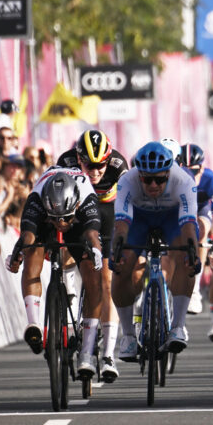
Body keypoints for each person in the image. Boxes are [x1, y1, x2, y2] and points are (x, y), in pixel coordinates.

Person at [7, 169, 105, 379]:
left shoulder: (86, 198)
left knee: (92, 273)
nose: (61, 224)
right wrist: (18, 254)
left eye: (65, 219)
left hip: (78, 225)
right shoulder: (37, 199)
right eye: (56, 219)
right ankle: (34, 324)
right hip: (46, 218)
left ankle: (87, 351)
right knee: (32, 251)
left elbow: (92, 233)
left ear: (76, 206)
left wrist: (96, 251)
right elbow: (27, 235)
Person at [110, 142, 200, 362]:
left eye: (159, 179)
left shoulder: (183, 181)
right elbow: (121, 225)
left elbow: (188, 225)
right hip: (139, 218)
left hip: (172, 218)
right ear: (138, 175)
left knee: (186, 258)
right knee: (121, 266)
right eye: (147, 179)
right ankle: (128, 336)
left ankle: (177, 327)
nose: (153, 185)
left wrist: (193, 253)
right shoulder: (127, 181)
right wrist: (117, 250)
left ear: (169, 173)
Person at [55, 129, 129, 379]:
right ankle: (70, 298)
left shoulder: (119, 165)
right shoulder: (65, 162)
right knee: (66, 252)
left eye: (100, 165)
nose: (95, 171)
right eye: (89, 165)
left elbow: (130, 201)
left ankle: (108, 354)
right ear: (78, 159)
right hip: (78, 211)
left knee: (107, 282)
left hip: (107, 212)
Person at [175, 143, 213, 339]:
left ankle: (194, 288)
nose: (190, 175)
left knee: (201, 229)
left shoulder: (212, 180)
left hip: (200, 209)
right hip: (178, 208)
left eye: (194, 171)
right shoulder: (172, 179)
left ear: (202, 168)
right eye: (184, 170)